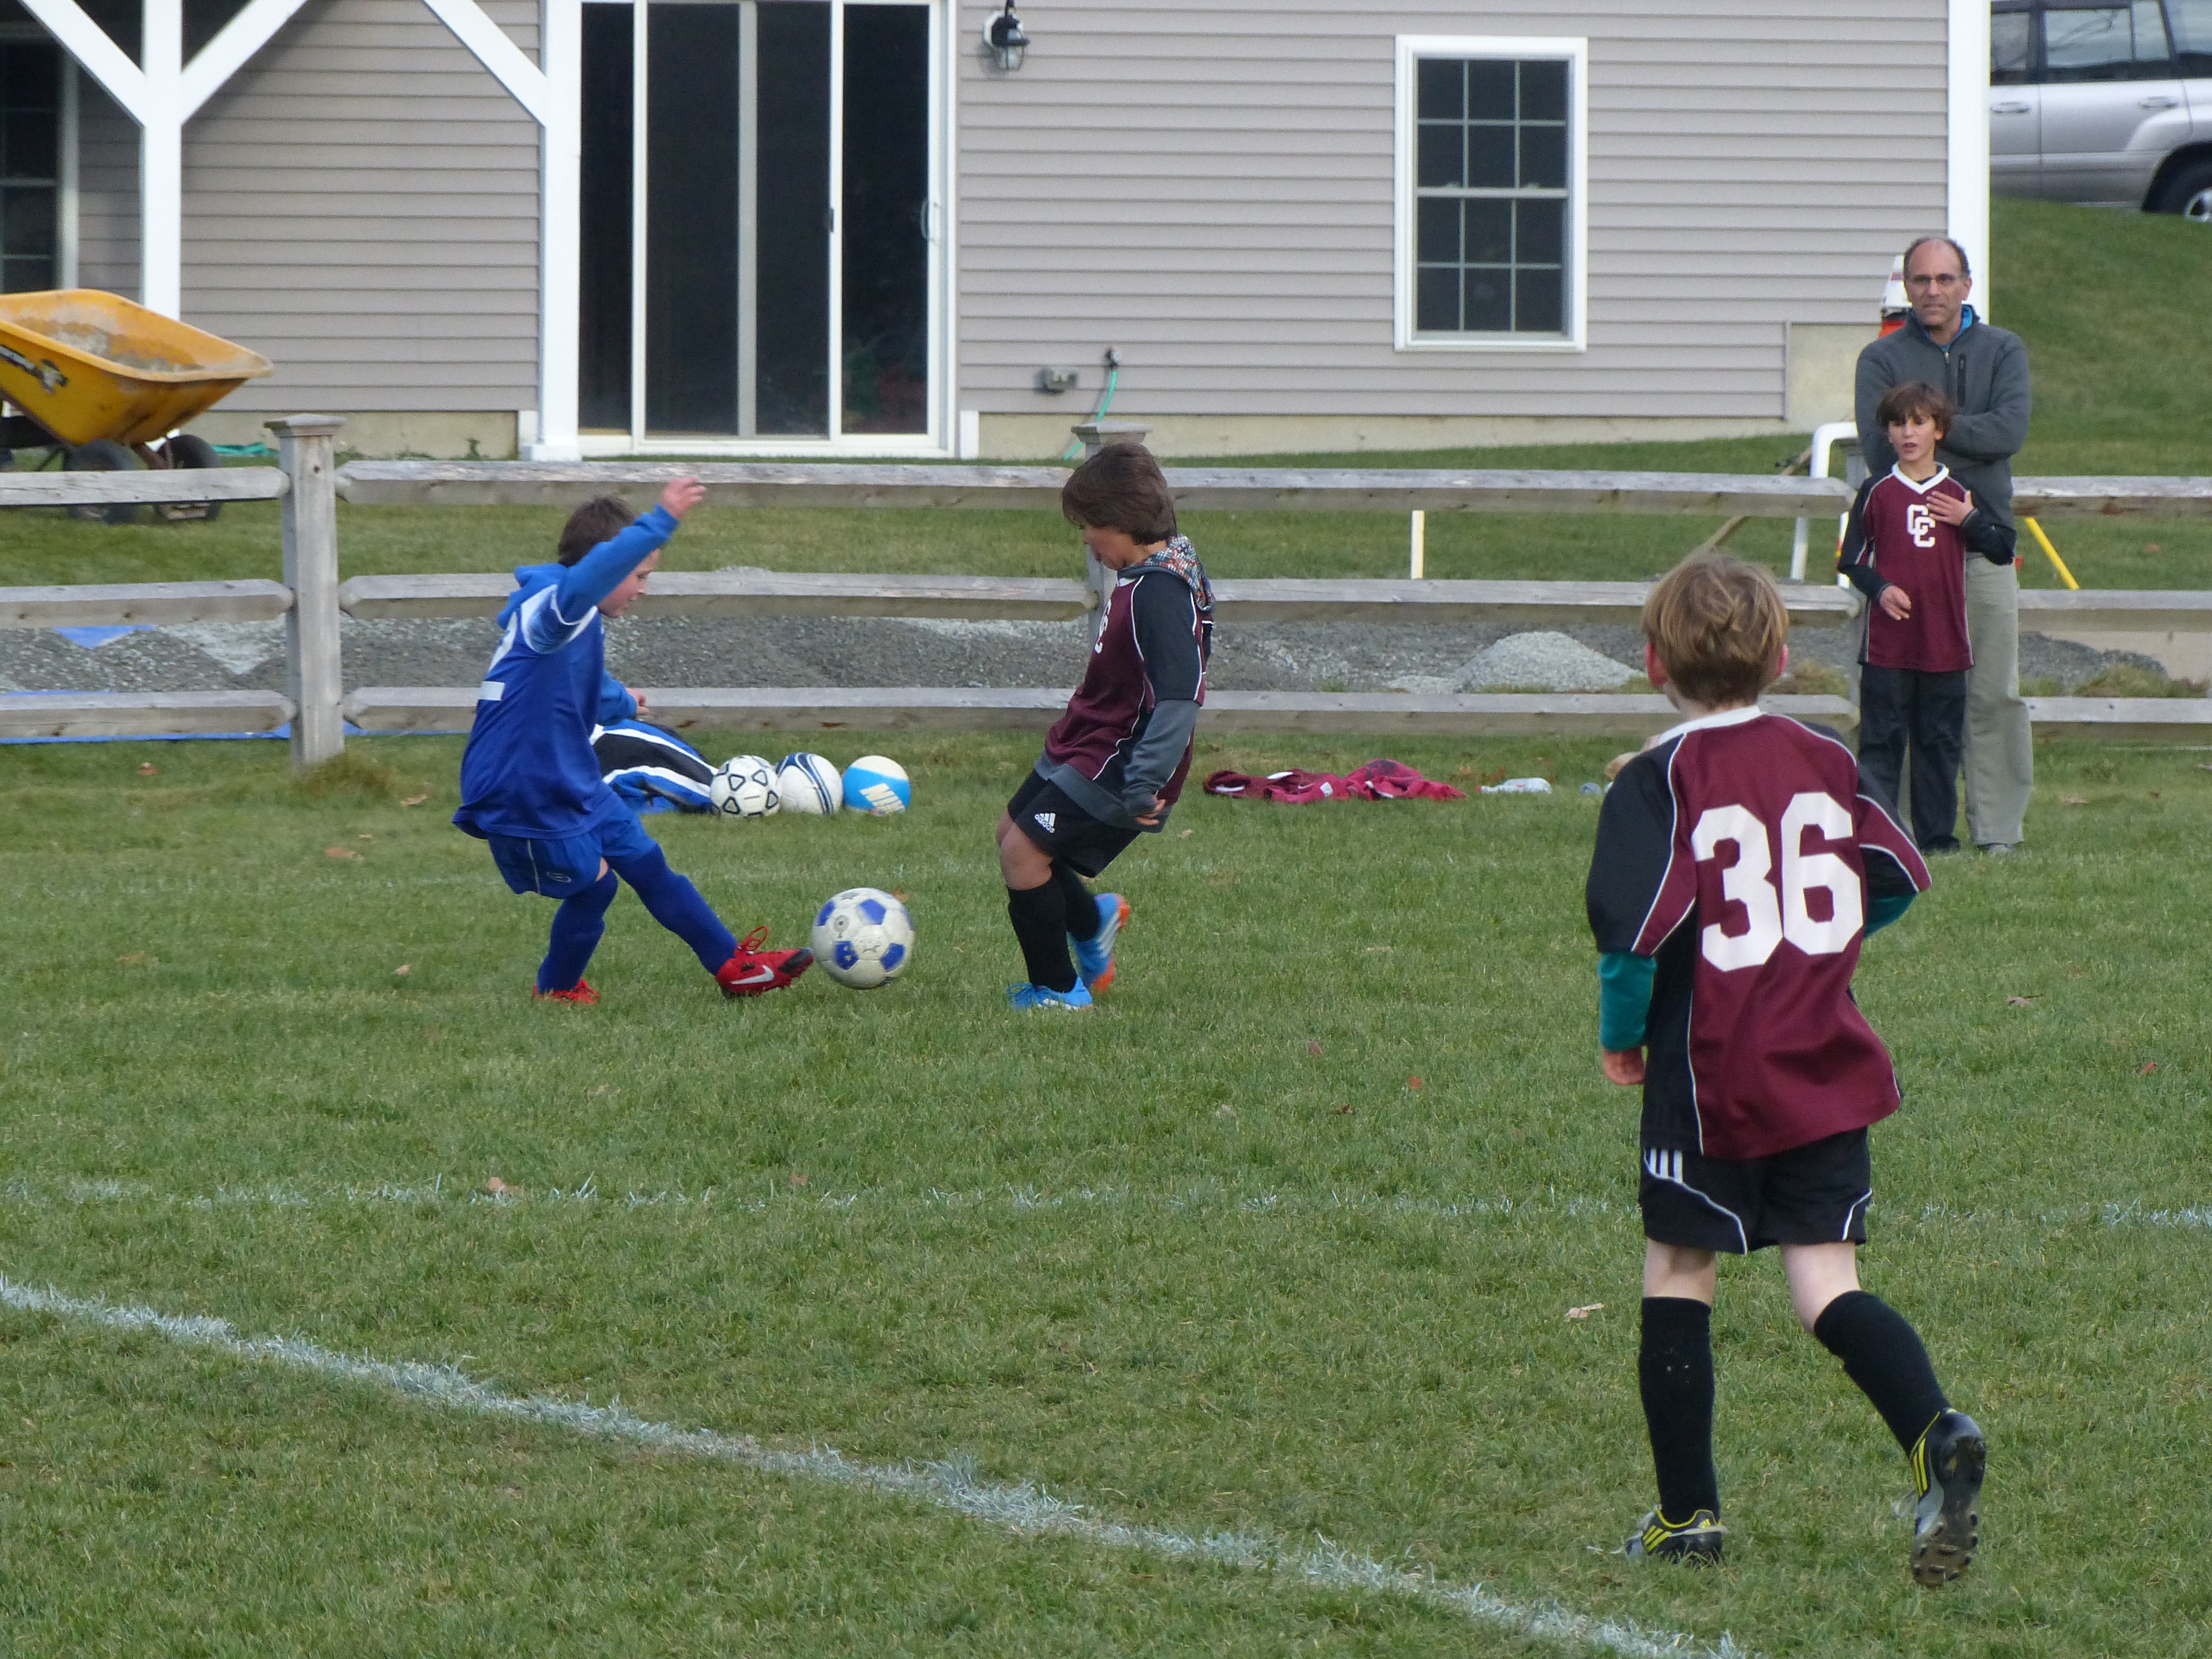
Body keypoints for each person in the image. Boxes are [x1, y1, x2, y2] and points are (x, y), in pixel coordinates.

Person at [1585, 553, 1985, 1583]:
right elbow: (1896, 877)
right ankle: (1936, 1432)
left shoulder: (1656, 779)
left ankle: (1688, 1519)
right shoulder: (1824, 754)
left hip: (1710, 1074)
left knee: (1680, 1269)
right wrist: (1814, 952)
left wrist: (1623, 1036)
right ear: (1780, 656)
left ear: (1653, 662)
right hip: (1824, 1063)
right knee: (1825, 1283)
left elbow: (1631, 943)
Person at [452, 482, 813, 1003]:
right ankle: (556, 988)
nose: (644, 588)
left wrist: (623, 701)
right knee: (596, 886)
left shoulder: (575, 620)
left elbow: (579, 686)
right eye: (639, 575)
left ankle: (734, 968)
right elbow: (589, 583)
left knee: (647, 863)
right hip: (522, 788)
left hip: (569, 776)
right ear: (605, 567)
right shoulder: (554, 611)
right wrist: (660, 520)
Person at [996, 442, 1213, 1010]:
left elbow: (1180, 698)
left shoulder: (1161, 592)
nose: (1086, 538)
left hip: (1122, 760)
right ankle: (1092, 923)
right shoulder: (1155, 567)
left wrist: (1145, 780)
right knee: (1011, 832)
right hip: (1089, 737)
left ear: (1123, 521)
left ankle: (1058, 992)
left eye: (1090, 525)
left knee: (1023, 855)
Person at [1855, 234, 2033, 854]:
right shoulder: (1881, 359)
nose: (1933, 290)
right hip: (1901, 555)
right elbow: (1881, 453)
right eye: (1921, 280)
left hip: (1982, 547)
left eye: (1945, 279)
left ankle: (1998, 830)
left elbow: (2009, 432)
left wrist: (1926, 434)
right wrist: (1957, 438)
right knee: (1896, 697)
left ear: (1966, 285)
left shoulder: (2002, 350)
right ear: (1906, 287)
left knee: (1993, 692)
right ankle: (1896, 831)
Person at [1839, 382, 2018, 852]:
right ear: (1887, 433)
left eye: (1919, 423)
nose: (1908, 433)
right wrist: (1881, 589)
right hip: (1888, 644)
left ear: (1939, 430)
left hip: (1945, 642)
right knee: (1882, 739)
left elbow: (2002, 551)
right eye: (1898, 424)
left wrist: (1969, 520)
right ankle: (1878, 835)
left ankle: (1937, 838)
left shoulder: (1960, 492)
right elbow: (1852, 560)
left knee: (1939, 742)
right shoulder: (1876, 491)